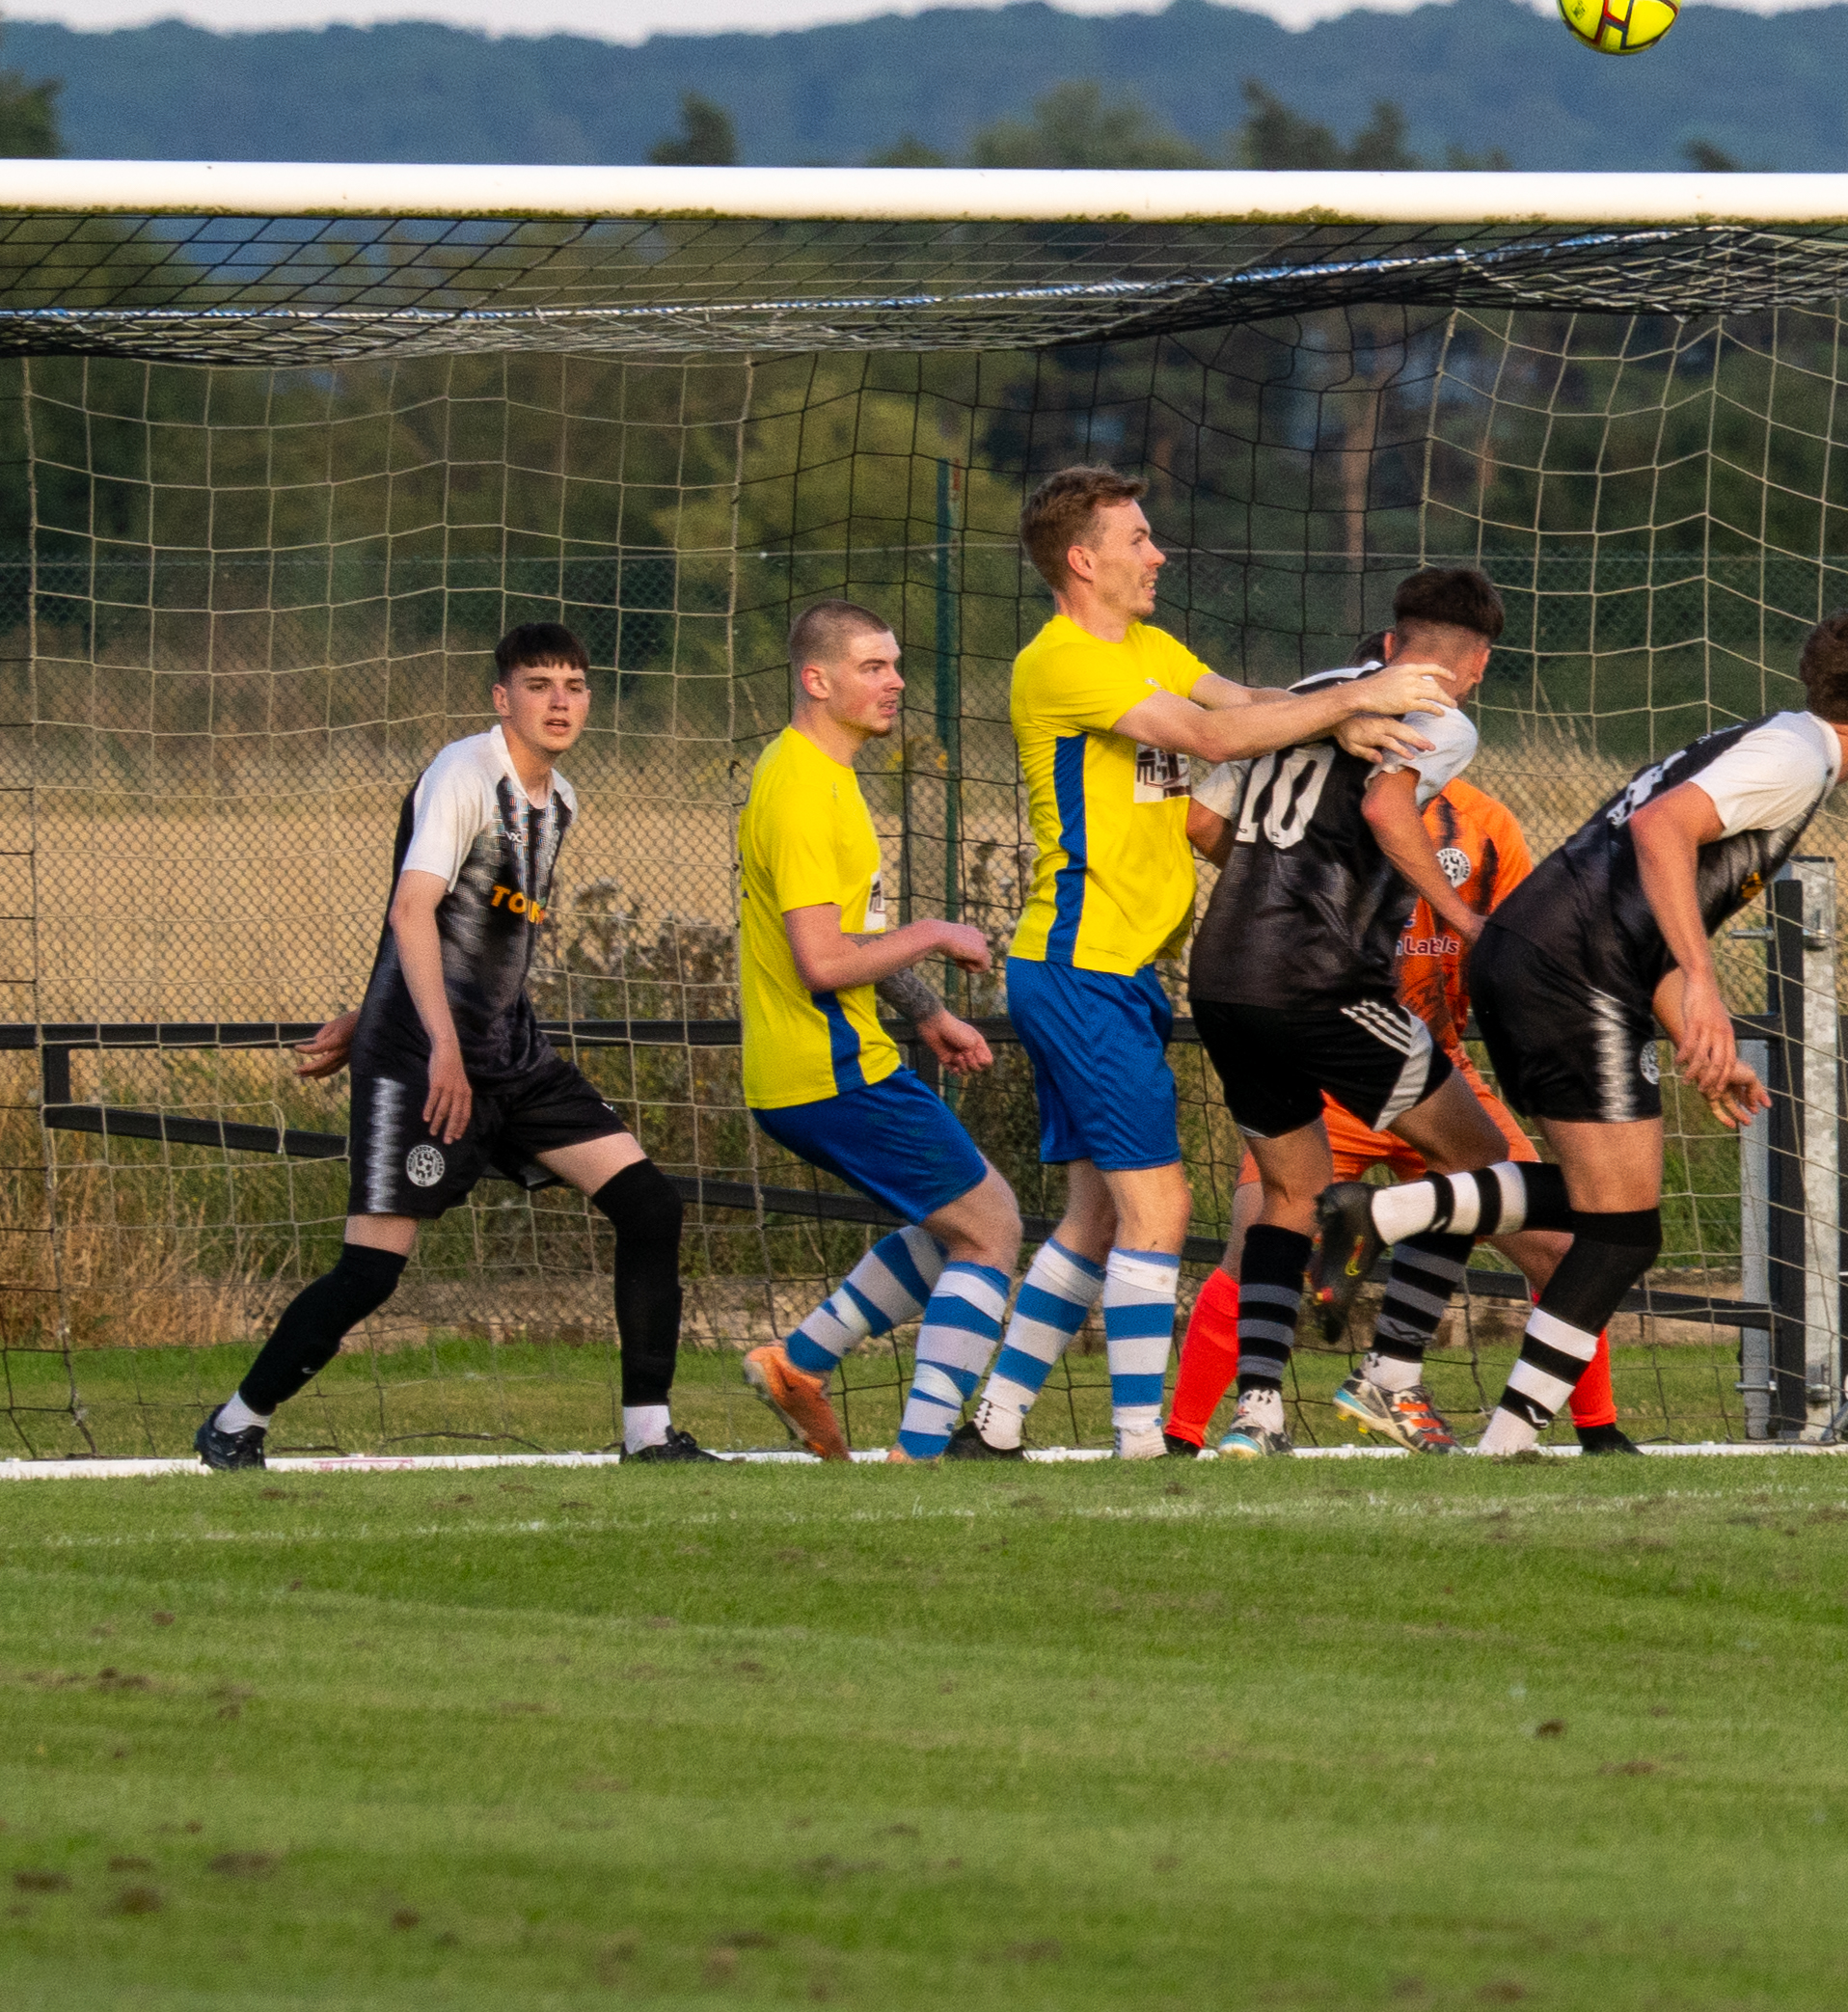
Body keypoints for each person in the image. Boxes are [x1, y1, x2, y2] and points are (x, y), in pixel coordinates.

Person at [1321, 607, 1848, 1458]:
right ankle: (1490, 1408)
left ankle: (1401, 1235)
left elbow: (1650, 897)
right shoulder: (1793, 758)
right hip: (1570, 977)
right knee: (1623, 1229)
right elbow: (1658, 830)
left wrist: (1696, 1037)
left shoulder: (1767, 740)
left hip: (1534, 960)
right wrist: (1709, 990)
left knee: (1615, 1215)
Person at [966, 468, 1456, 1460]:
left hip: (1123, 971)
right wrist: (1366, 691)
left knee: (1099, 1216)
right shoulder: (1062, 662)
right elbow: (1212, 734)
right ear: (1083, 559)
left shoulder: (1145, 645)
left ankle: (995, 1422)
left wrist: (1345, 720)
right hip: (1079, 965)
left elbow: (1244, 698)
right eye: (1139, 538)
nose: (1159, 554)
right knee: (1164, 1205)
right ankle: (1143, 1438)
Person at [200, 624, 720, 1469]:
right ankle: (234, 1422)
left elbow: (464, 939)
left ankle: (649, 1435)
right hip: (424, 1061)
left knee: (649, 1205)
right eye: (540, 683)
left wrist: (365, 1006)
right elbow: (414, 908)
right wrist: (428, 1041)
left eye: (575, 685)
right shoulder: (463, 773)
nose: (560, 701)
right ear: (501, 696)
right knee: (370, 1275)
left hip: (512, 1055)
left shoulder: (564, 800)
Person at [1177, 570, 1533, 1459]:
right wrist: (1461, 918)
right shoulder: (1442, 715)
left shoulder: (1299, 700)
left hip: (1223, 973)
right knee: (1481, 1160)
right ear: (1478, 662)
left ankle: (1256, 1413)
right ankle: (1391, 1376)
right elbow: (1383, 806)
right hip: (1318, 979)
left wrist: (1279, 884)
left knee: (1289, 1192)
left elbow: (1200, 822)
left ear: (1388, 638)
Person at [1166, 768, 1626, 1455]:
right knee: (1254, 1235)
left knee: (1559, 1248)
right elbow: (1203, 825)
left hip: (1440, 1070)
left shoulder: (1485, 823)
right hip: (1324, 1064)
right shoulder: (1320, 808)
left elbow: (1517, 943)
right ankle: (1190, 1435)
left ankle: (1600, 1432)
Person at [729, 601, 1022, 1463]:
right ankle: (921, 1448)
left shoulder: (823, 776)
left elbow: (854, 935)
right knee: (992, 1228)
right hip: (829, 1066)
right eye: (872, 666)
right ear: (817, 679)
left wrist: (927, 1011)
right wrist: (937, 930)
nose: (895, 681)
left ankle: (798, 1364)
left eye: (895, 664)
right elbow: (820, 961)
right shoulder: (800, 790)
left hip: (825, 1063)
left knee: (955, 1226)